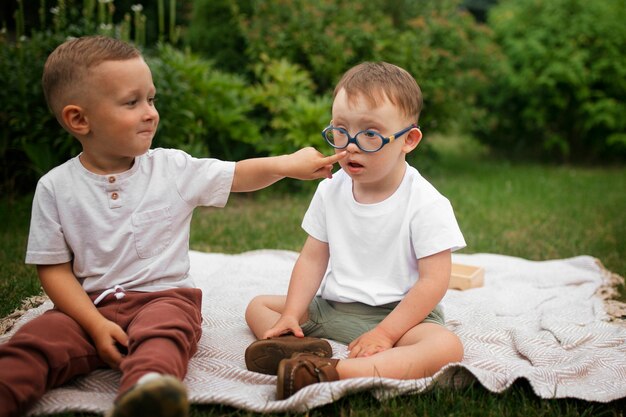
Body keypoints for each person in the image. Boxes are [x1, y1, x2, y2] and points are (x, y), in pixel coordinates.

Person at [0, 35, 346, 417]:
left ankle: (147, 392)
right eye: (132, 102)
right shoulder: (55, 188)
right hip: (88, 305)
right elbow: (53, 271)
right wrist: (94, 325)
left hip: (163, 298)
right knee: (34, 342)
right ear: (79, 119)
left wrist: (286, 164)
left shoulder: (172, 169)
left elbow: (237, 175)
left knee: (165, 335)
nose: (150, 112)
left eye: (151, 99)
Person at [244, 62, 466, 400]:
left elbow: (433, 282)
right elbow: (312, 258)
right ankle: (294, 350)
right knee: (259, 306)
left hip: (401, 316)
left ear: (409, 139)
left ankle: (333, 370)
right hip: (333, 308)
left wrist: (386, 334)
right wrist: (291, 313)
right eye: (340, 130)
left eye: (370, 134)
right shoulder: (330, 190)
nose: (350, 146)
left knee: (445, 347)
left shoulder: (425, 203)